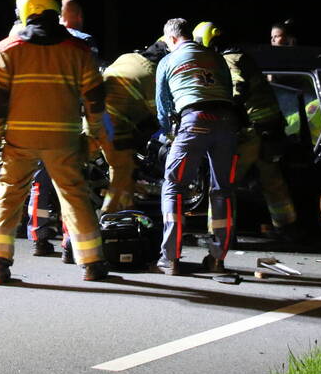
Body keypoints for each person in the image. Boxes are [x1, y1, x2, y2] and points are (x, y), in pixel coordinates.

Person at [0, 0, 110, 284]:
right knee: (75, 198)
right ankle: (92, 263)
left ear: (25, 11)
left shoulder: (8, 50)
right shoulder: (78, 50)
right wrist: (95, 138)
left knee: (8, 198)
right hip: (63, 140)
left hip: (19, 140)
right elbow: (94, 99)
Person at [193, 22, 301, 240]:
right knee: (273, 181)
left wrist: (223, 111)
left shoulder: (229, 60)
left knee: (223, 181)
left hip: (250, 131)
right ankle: (287, 227)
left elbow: (237, 87)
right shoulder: (242, 56)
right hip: (269, 128)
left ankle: (220, 233)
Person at [155, 18, 237, 275]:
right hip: (227, 123)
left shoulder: (168, 61)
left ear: (171, 39)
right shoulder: (215, 57)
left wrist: (170, 133)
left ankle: (171, 258)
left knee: (174, 186)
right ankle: (217, 259)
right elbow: (228, 88)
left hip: (193, 121)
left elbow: (163, 106)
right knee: (223, 190)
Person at [96, 41, 167, 214]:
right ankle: (109, 212)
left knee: (126, 165)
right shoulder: (152, 73)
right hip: (111, 124)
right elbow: (158, 111)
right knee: (123, 168)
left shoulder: (127, 57)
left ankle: (128, 207)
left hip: (94, 116)